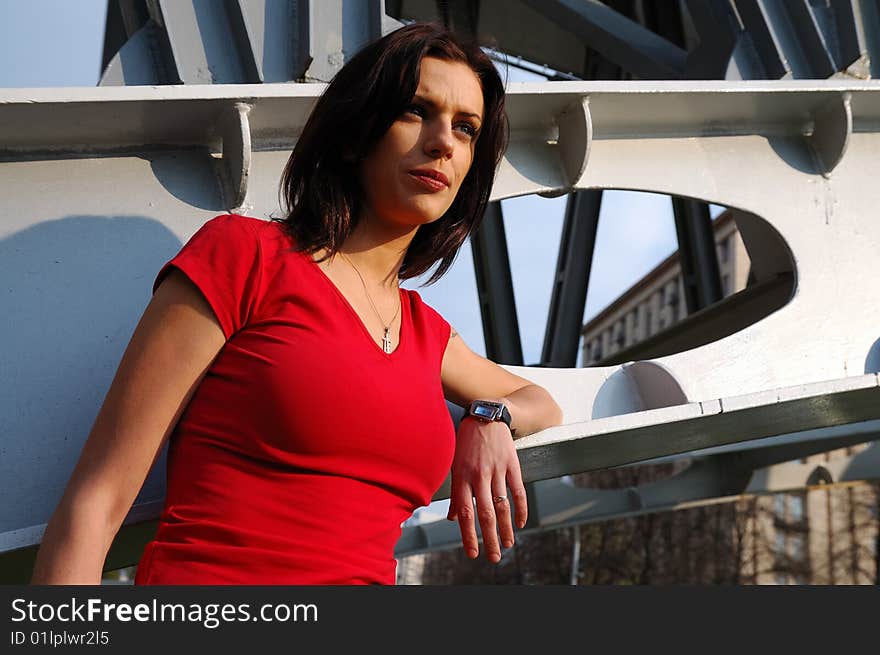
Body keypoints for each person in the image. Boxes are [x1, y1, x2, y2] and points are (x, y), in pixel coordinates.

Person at [31, 21, 563, 585]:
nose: (443, 142)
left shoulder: (425, 335)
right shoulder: (244, 258)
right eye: (415, 111)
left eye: (466, 128)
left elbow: (538, 401)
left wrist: (488, 416)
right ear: (357, 134)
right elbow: (97, 503)